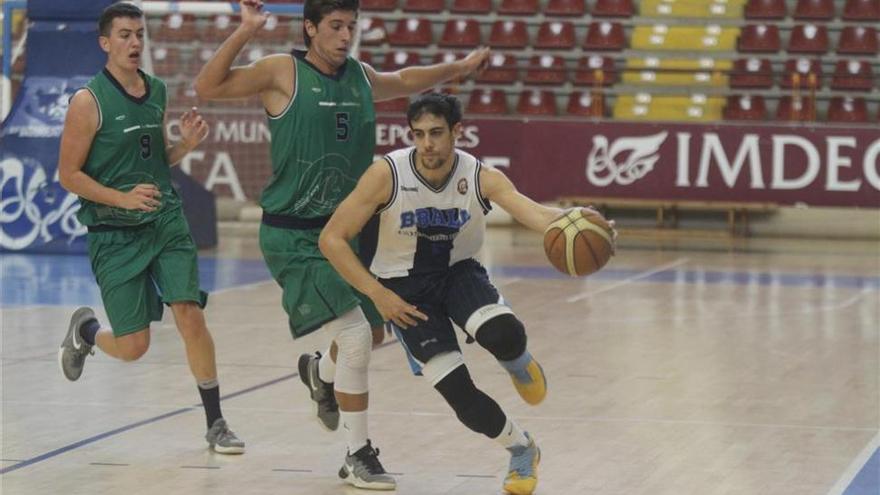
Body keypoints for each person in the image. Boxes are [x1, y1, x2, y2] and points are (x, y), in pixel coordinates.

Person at [193, 0, 489, 488]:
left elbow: (410, 78)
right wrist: (246, 30)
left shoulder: (360, 76)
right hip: (295, 234)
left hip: (352, 232)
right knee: (354, 339)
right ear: (310, 28)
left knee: (368, 337)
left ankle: (320, 374)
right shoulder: (281, 72)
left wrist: (457, 67)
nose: (344, 35)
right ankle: (357, 454)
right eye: (334, 26)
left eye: (351, 26)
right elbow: (207, 86)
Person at [318, 93, 617, 495]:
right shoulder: (386, 175)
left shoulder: (479, 176)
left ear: (457, 132)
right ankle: (522, 449)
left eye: (437, 133)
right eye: (419, 134)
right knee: (461, 396)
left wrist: (586, 223)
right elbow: (332, 239)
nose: (427, 144)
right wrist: (377, 295)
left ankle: (517, 362)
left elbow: (537, 215)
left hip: (458, 273)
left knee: (504, 334)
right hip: (404, 291)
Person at [57, 2, 244, 455]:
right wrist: (122, 198)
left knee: (189, 313)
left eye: (140, 33)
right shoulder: (88, 101)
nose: (135, 42)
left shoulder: (156, 90)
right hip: (114, 232)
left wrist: (185, 145)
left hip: (164, 220)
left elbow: (158, 159)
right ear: (106, 43)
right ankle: (85, 334)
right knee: (133, 346)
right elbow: (68, 175)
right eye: (125, 35)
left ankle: (216, 421)